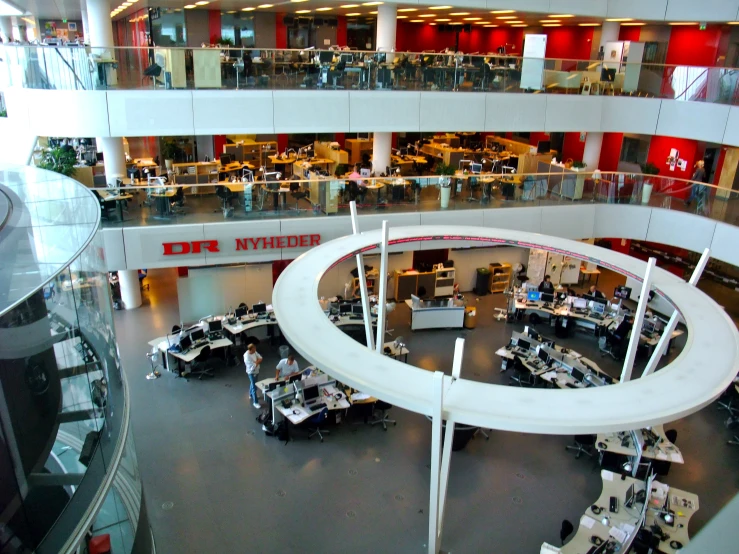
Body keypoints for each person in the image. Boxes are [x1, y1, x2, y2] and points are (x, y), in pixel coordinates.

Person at [244, 343, 262, 408]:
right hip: (251, 373)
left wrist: (256, 362)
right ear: (250, 350)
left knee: (253, 383)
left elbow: (260, 358)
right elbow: (252, 367)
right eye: (254, 349)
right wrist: (257, 362)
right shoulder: (247, 357)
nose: (255, 350)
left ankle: (251, 395)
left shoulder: (254, 352)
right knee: (254, 387)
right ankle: (255, 402)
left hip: (256, 371)